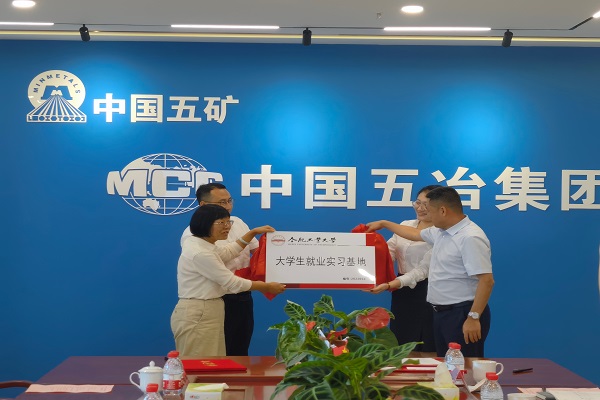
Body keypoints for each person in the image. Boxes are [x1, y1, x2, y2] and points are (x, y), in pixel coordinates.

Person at [366, 186, 494, 357]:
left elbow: (487, 280)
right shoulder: (441, 232)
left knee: (464, 365)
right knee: (442, 365)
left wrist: (473, 317)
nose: (427, 216)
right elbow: (413, 234)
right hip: (441, 312)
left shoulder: (470, 237)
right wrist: (384, 224)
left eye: (430, 211)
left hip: (462, 313)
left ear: (443, 211)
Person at [171, 204, 286, 357]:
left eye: (228, 222)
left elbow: (228, 252)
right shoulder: (200, 252)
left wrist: (251, 233)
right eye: (221, 223)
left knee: (214, 361)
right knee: (200, 364)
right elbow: (232, 282)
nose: (227, 227)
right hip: (199, 312)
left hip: (208, 309)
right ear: (204, 224)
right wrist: (266, 287)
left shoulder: (203, 244)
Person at [181, 183, 258, 356]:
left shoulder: (238, 223)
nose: (228, 206)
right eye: (222, 202)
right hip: (218, 297)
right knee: (214, 355)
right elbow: (225, 274)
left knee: (239, 350)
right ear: (203, 205)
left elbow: (256, 252)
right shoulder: (193, 236)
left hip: (243, 296)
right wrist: (266, 286)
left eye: (230, 201)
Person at [369, 185, 441, 353]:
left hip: (428, 291)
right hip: (401, 292)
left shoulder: (441, 233)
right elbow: (388, 252)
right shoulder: (405, 225)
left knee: (426, 344)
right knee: (401, 341)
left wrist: (390, 284)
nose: (420, 208)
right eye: (418, 202)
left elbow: (422, 271)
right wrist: (367, 270)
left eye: (426, 204)